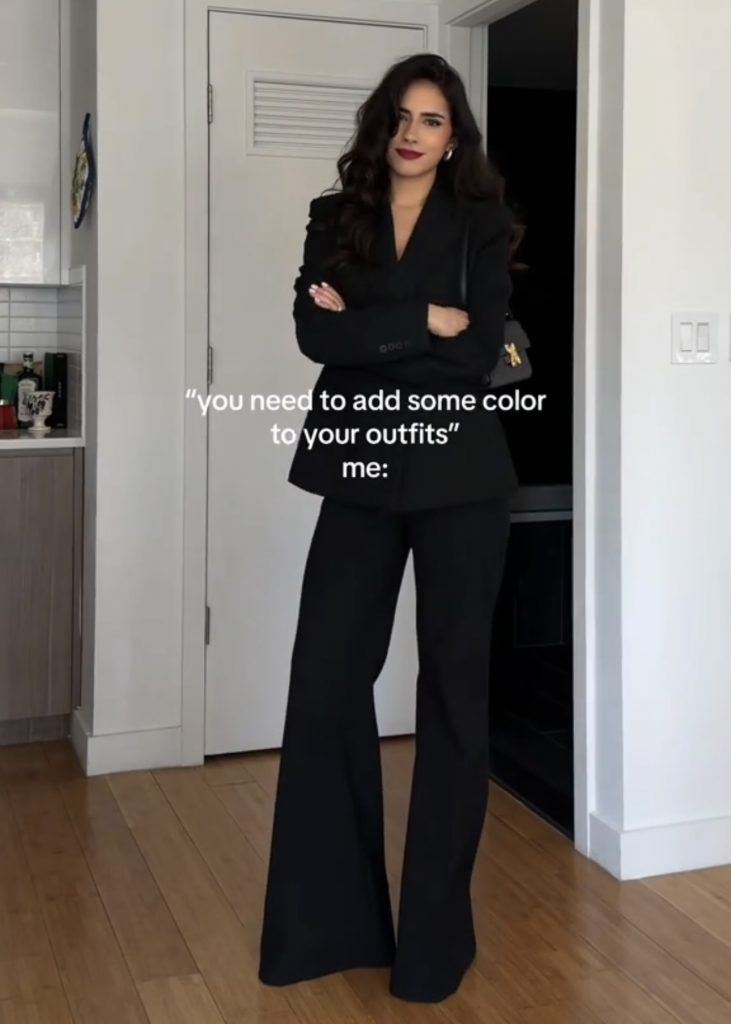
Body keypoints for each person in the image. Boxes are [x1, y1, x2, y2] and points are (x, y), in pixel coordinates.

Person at [258, 52, 519, 1004]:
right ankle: (327, 929)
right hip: (360, 471)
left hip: (460, 477)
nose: (414, 134)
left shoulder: (481, 223)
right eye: (402, 117)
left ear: (453, 140)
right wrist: (421, 319)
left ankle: (434, 948)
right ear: (382, 125)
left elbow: (479, 348)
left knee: (452, 694)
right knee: (326, 678)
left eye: (432, 120)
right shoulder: (336, 217)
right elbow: (314, 337)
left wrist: (373, 324)